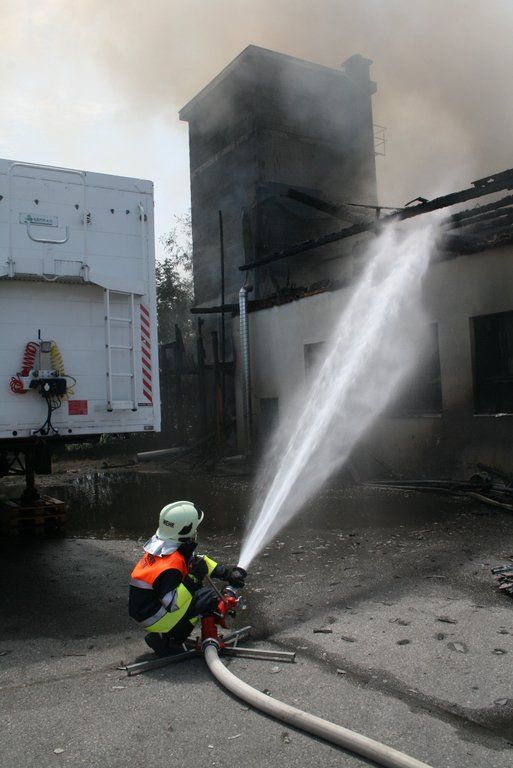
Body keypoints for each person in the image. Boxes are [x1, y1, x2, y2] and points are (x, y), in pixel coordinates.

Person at [129, 500, 246, 656]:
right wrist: (193, 579)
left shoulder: (167, 544)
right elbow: (172, 603)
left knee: (197, 594)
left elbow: (197, 561)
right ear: (186, 529)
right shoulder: (172, 566)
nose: (196, 531)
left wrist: (227, 574)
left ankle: (164, 636)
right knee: (209, 597)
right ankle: (170, 641)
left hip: (147, 611)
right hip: (155, 617)